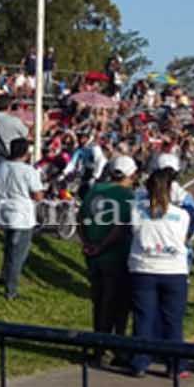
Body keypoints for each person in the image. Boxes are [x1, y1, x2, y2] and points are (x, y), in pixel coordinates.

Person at [126, 166, 194, 378]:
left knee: (144, 317)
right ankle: (176, 365)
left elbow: (134, 232)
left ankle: (140, 362)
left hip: (143, 269)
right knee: (173, 320)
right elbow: (184, 238)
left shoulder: (137, 210)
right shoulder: (182, 215)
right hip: (174, 270)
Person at [77, 155, 135, 366]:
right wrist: (102, 246)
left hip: (93, 255)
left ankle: (98, 346)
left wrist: (87, 242)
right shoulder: (127, 196)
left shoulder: (94, 191)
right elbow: (120, 228)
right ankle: (116, 348)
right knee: (118, 305)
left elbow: (80, 218)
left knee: (99, 302)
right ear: (130, 175)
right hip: (115, 256)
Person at [0, 137, 44, 300]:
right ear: (26, 153)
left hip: (3, 211)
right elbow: (37, 195)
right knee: (18, 254)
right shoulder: (28, 170)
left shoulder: (0, 167)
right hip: (21, 215)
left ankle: (4, 275)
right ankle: (11, 289)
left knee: (8, 247)